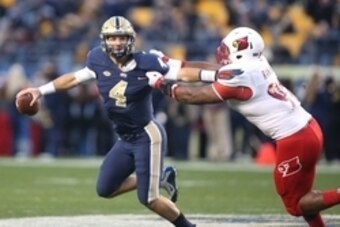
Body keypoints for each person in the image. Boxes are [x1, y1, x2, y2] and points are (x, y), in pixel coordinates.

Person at [15, 16, 213, 227]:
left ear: (131, 40)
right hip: (125, 138)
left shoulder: (147, 62)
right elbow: (74, 78)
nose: (117, 43)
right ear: (104, 40)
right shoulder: (97, 59)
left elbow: (183, 74)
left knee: (150, 198)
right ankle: (161, 177)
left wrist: (216, 75)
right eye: (112, 38)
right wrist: (40, 90)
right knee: (105, 188)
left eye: (121, 38)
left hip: (147, 135)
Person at [146, 27, 340, 227]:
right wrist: (172, 65)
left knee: (296, 205)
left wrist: (161, 83)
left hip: (295, 139)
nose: (222, 54)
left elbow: (193, 96)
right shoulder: (256, 63)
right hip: (308, 128)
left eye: (227, 49)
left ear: (239, 51)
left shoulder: (241, 76)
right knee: (304, 198)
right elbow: (212, 71)